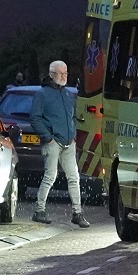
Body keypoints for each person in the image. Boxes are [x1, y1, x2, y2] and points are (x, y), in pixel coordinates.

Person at [29, 59, 90, 227]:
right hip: (54, 141)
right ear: (51, 74)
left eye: (65, 73)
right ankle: (39, 210)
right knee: (50, 176)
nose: (64, 76)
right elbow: (34, 118)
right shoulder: (42, 94)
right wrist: (48, 137)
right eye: (60, 73)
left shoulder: (67, 94)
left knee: (74, 177)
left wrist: (73, 135)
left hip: (68, 141)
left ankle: (77, 213)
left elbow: (72, 117)